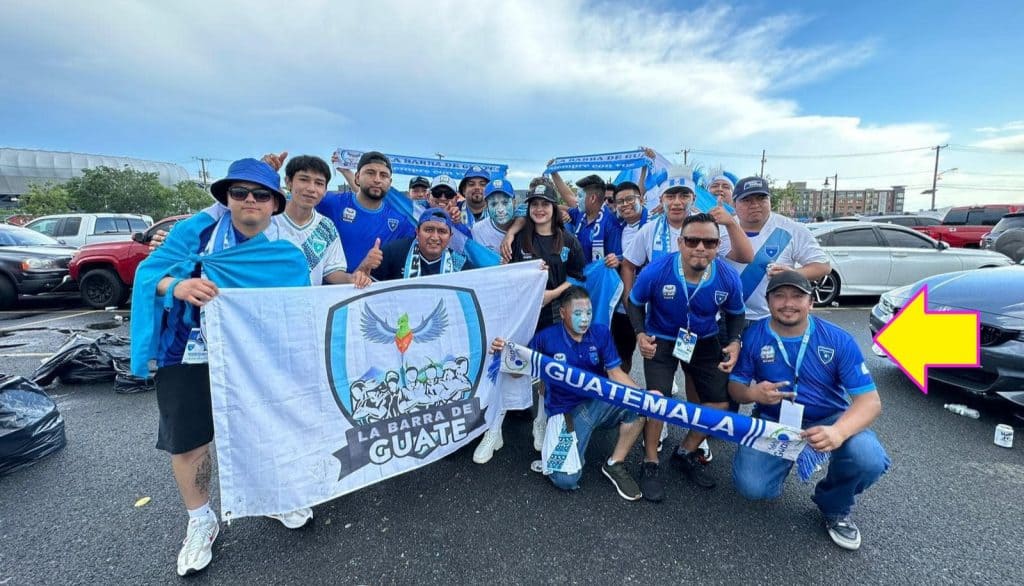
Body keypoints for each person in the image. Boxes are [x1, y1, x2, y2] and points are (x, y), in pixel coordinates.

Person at [133, 158, 312, 577]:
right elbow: (148, 273)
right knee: (189, 441)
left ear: (275, 205)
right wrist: (177, 285)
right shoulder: (195, 234)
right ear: (226, 199)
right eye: (239, 193)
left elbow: (298, 312)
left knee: (264, 427)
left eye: (261, 194)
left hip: (252, 358)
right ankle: (200, 521)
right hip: (187, 352)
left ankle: (272, 497)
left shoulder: (283, 255)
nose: (250, 200)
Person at [729, 271, 889, 551]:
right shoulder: (753, 335)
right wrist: (753, 394)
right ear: (768, 301)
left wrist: (839, 431)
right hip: (773, 421)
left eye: (797, 296)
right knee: (752, 488)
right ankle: (781, 463)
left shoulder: (838, 339)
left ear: (811, 302)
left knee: (868, 458)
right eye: (779, 295)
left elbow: (870, 402)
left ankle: (834, 505)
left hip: (830, 419)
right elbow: (735, 388)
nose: (788, 303)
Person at [490, 286, 650, 500]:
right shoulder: (547, 338)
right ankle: (560, 450)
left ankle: (615, 463)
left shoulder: (600, 332)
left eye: (588, 313)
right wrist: (504, 353)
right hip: (565, 412)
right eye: (577, 313)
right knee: (565, 480)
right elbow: (519, 373)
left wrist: (645, 396)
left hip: (598, 402)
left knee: (641, 406)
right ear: (563, 313)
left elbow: (615, 373)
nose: (584, 319)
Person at [627, 213, 745, 499]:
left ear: (718, 246)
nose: (700, 247)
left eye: (710, 241)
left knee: (720, 402)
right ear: (680, 242)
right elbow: (633, 303)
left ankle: (686, 451)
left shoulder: (727, 276)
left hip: (703, 339)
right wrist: (640, 334)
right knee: (657, 397)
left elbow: (736, 314)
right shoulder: (657, 270)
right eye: (693, 240)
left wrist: (734, 341)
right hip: (662, 338)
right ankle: (650, 461)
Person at [723, 176, 830, 322]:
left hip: (770, 318)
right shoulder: (722, 227)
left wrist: (794, 274)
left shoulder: (791, 229)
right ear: (734, 204)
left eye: (761, 198)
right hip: (727, 316)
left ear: (770, 201)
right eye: (747, 200)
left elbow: (823, 266)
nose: (755, 204)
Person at [316, 151, 416, 271]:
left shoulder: (400, 222)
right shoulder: (331, 203)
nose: (377, 180)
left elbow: (427, 239)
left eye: (383, 175)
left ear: (390, 183)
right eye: (370, 173)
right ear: (357, 178)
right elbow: (294, 208)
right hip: (331, 287)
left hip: (375, 288)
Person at [277, 155, 366, 286]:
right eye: (304, 180)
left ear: (325, 191)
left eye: (319, 183)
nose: (311, 189)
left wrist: (353, 279)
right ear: (288, 182)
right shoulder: (268, 220)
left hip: (307, 304)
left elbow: (332, 273)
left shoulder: (326, 227)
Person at [364, 208, 473, 281]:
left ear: (450, 236)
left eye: (442, 231)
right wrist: (364, 270)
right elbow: (369, 289)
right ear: (417, 232)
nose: (435, 237)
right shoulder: (393, 252)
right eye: (429, 230)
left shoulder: (460, 264)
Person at [567, 173, 622, 268]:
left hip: (597, 280)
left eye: (580, 196)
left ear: (592, 198)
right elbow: (561, 207)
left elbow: (618, 260)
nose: (576, 200)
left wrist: (615, 261)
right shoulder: (580, 213)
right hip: (577, 276)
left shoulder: (612, 224)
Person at [470, 178, 517, 253]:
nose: (500, 209)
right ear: (486, 205)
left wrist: (511, 233)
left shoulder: (525, 222)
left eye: (505, 203)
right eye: (493, 204)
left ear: (514, 202)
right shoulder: (477, 230)